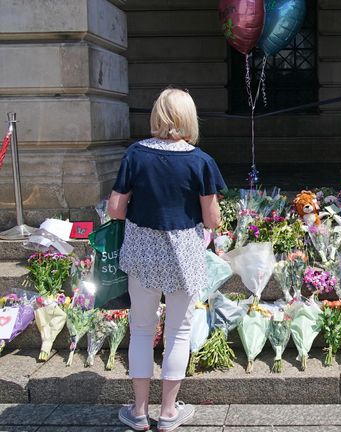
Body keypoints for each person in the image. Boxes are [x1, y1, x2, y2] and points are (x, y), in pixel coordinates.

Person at [108, 88, 225, 432]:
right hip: (184, 250)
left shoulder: (135, 154)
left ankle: (139, 411)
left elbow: (115, 209)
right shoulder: (200, 160)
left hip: (142, 248)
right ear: (189, 118)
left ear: (158, 115)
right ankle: (169, 413)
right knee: (178, 331)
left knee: (142, 329)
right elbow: (212, 220)